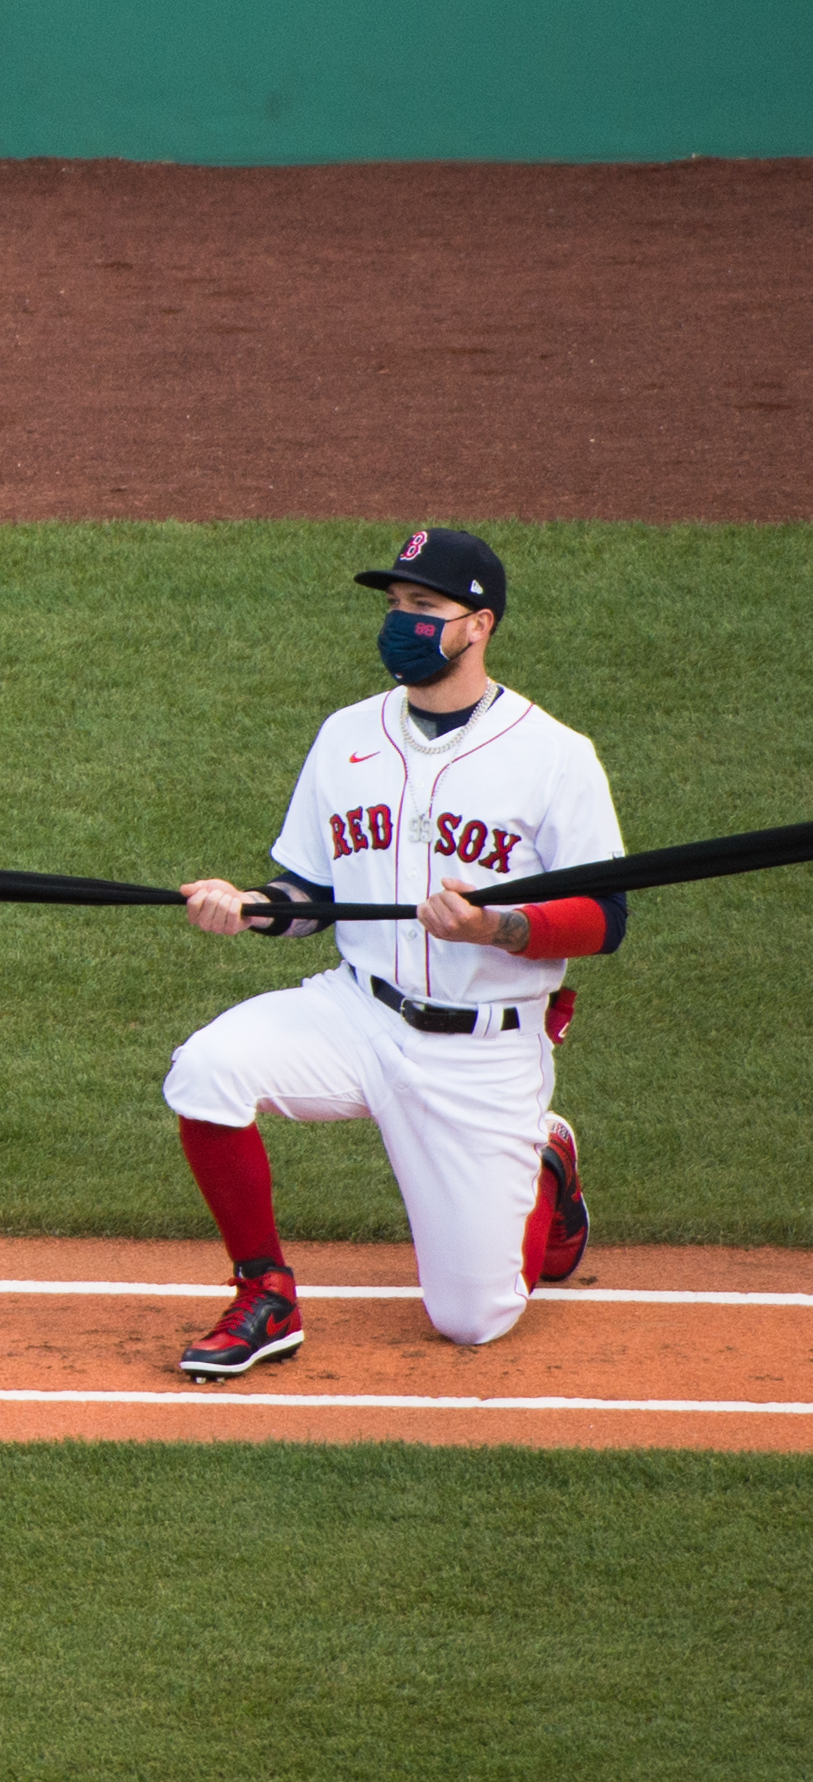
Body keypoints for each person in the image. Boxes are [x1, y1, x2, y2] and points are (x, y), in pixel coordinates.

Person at [162, 529, 616, 1381]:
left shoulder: (554, 757)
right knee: (206, 1068)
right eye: (395, 605)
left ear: (477, 625)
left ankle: (546, 1162)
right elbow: (311, 896)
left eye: (424, 608)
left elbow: (605, 916)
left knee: (472, 1321)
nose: (400, 623)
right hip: (357, 1012)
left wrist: (498, 929)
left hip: (482, 1049)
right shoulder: (346, 736)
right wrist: (255, 909)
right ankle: (266, 1295)